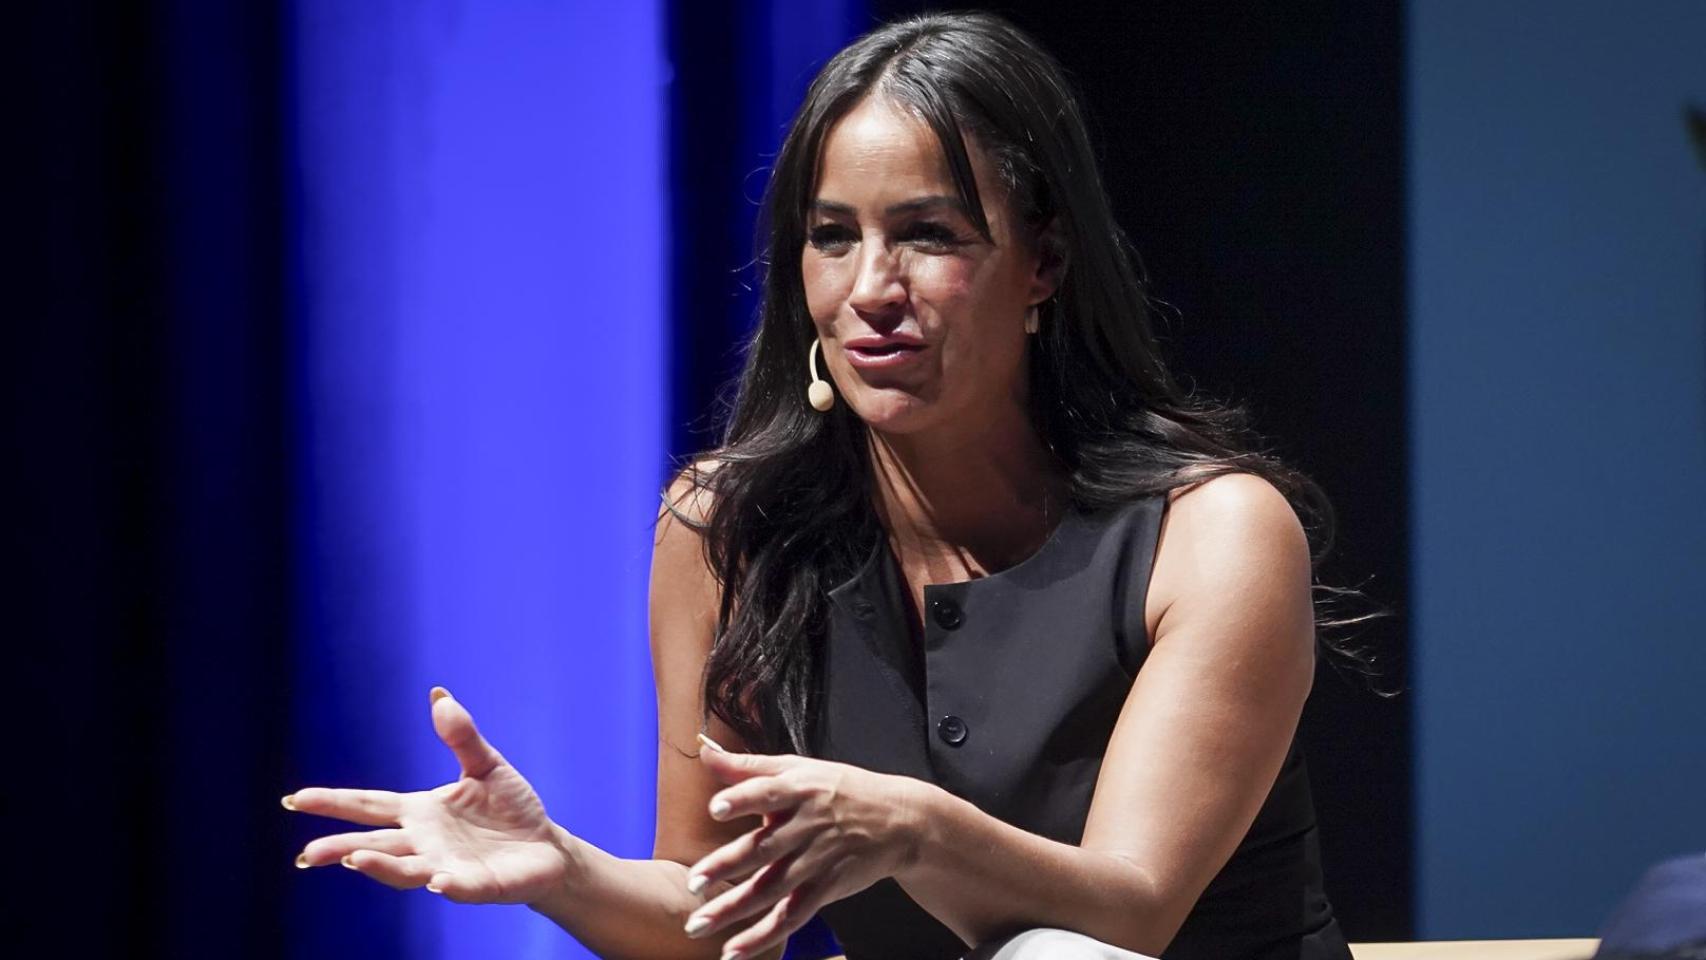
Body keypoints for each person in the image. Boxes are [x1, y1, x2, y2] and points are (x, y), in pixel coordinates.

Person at [284, 11, 1366, 960]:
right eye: (831, 238)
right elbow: (708, 914)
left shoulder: (1210, 530)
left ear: (1042, 263)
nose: (869, 291)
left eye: (928, 236)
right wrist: (561, 867)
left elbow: (1124, 919)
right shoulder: (726, 531)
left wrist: (911, 828)